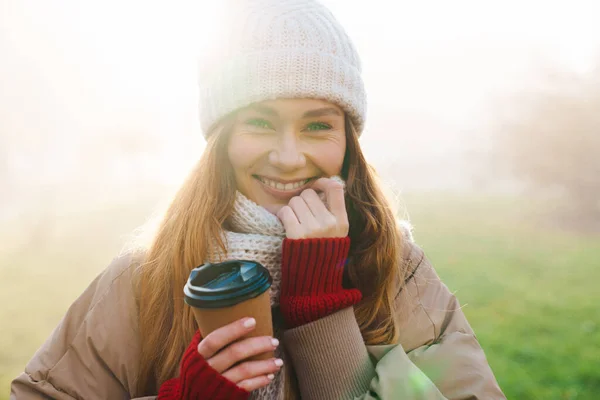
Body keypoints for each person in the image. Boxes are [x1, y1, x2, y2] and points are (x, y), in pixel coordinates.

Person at [11, 1, 506, 399]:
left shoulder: (398, 270)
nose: (289, 158)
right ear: (221, 139)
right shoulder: (143, 277)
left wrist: (320, 305)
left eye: (318, 125)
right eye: (260, 122)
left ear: (348, 141)